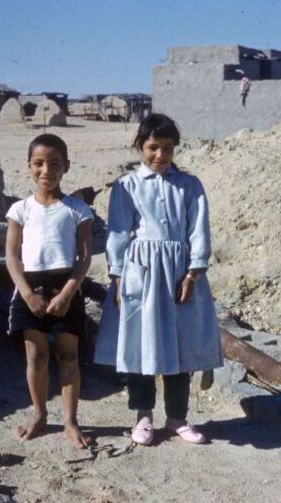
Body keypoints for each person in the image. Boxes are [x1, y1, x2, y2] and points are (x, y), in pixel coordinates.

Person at [94, 113, 223, 446]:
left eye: (168, 148)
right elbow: (118, 233)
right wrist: (119, 277)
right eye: (153, 147)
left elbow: (198, 230)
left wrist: (193, 273)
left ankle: (177, 417)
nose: (160, 156)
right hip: (142, 274)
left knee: (180, 345)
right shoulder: (127, 186)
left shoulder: (190, 185)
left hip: (180, 274)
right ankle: (143, 416)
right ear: (140, 145)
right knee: (142, 345)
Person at [5, 133, 94, 448]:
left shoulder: (77, 209)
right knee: (37, 356)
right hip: (29, 289)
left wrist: (68, 292)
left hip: (65, 286)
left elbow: (84, 257)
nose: (46, 171)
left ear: (66, 166)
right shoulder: (20, 210)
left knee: (68, 356)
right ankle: (40, 413)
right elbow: (12, 257)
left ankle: (70, 421)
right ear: (29, 166)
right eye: (39, 164)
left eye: (54, 164)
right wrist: (27, 294)